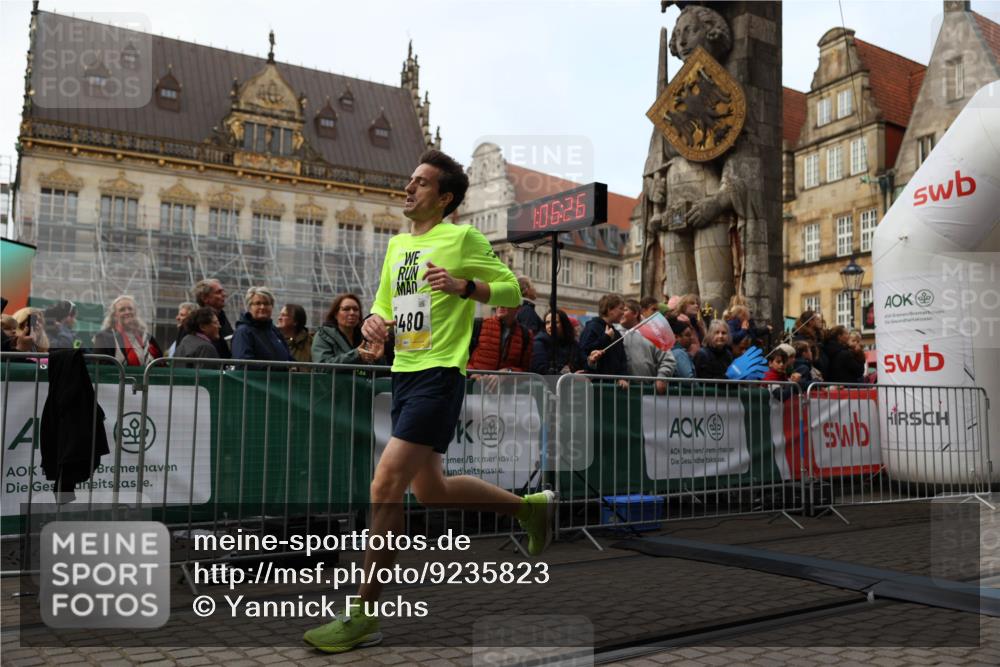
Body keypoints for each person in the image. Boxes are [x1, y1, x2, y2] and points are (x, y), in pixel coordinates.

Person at [304, 149, 554, 654]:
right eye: (409, 180)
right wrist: (376, 322)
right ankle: (529, 509)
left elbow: (511, 292)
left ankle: (362, 614)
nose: (408, 188)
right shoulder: (397, 245)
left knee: (385, 483)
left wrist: (464, 286)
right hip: (404, 373)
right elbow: (384, 301)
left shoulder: (461, 238)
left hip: (440, 374)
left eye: (420, 183)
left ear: (444, 199)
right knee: (432, 490)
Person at [619, 299, 676, 394]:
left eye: (624, 310)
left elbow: (668, 359)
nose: (621, 313)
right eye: (620, 310)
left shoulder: (653, 333)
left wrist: (662, 377)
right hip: (621, 392)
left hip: (648, 392)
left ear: (635, 313)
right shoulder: (614, 334)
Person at [312, 293, 385, 366]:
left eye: (356, 309)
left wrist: (376, 359)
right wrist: (356, 355)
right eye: (346, 309)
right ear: (335, 314)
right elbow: (321, 366)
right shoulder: (324, 335)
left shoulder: (366, 336)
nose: (352, 313)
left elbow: (377, 371)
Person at [92, 296, 161, 366]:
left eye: (130, 309)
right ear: (115, 315)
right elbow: (100, 367)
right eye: (122, 310)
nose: (127, 312)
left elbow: (161, 362)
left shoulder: (147, 337)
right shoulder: (103, 337)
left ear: (135, 312)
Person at [231, 287, 293, 362]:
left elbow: (288, 357)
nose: (262, 307)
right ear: (250, 307)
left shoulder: (274, 331)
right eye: (258, 303)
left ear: (272, 306)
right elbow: (243, 362)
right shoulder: (243, 332)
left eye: (266, 303)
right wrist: (280, 368)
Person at [467, 304, 533, 375]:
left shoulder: (526, 334)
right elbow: (459, 356)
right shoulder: (479, 324)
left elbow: (525, 369)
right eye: (499, 299)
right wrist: (472, 373)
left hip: (506, 385)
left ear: (518, 308)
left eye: (506, 300)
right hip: (474, 384)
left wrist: (509, 371)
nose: (501, 304)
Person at [579, 294, 629, 384]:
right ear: (610, 309)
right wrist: (605, 338)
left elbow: (622, 359)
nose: (623, 312)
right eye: (621, 308)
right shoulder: (592, 327)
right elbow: (584, 351)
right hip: (596, 384)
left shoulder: (616, 333)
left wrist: (622, 377)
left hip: (613, 386)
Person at [531, 309, 583, 375]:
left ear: (564, 324)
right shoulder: (539, 342)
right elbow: (541, 369)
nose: (550, 326)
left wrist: (590, 361)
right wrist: (568, 376)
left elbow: (580, 366)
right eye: (547, 322)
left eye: (555, 322)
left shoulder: (573, 344)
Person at [191, 278, 233, 358]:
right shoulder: (193, 322)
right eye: (218, 292)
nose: (224, 295)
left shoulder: (222, 318)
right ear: (205, 298)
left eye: (223, 291)